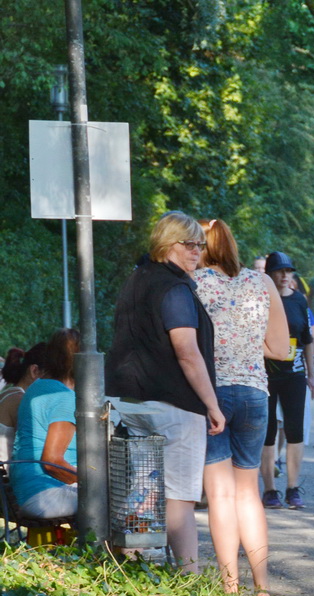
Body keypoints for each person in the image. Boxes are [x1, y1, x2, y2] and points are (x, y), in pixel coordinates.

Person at [107, 211, 226, 573]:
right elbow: (187, 352)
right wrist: (212, 404)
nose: (197, 252)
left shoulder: (137, 278)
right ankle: (188, 577)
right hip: (173, 403)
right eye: (190, 245)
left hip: (129, 400)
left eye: (200, 246)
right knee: (179, 496)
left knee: (140, 488)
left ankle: (132, 566)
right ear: (169, 244)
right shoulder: (174, 289)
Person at [196, 219, 288, 596]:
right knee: (249, 494)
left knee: (220, 495)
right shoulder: (262, 282)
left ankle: (230, 588)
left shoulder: (195, 283)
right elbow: (281, 348)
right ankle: (262, 591)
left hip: (212, 394)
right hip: (254, 392)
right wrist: (247, 345)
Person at [261, 252, 314, 510]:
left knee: (295, 430)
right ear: (269, 274)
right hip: (266, 375)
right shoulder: (260, 299)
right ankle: (270, 489)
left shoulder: (298, 300)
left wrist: (311, 375)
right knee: (268, 432)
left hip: (294, 374)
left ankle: (292, 488)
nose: (285, 276)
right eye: (279, 271)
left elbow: (307, 339)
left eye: (288, 271)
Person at [10, 331, 80, 519]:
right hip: (47, 495)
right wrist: (92, 482)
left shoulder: (37, 387)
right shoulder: (64, 397)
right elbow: (52, 463)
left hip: (27, 492)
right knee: (122, 496)